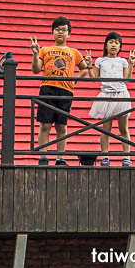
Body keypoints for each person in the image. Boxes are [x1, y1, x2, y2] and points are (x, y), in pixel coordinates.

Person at [30, 15, 90, 166]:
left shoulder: (74, 52)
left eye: (64, 30)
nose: (61, 33)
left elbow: (84, 69)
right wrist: (36, 54)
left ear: (69, 34)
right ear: (52, 33)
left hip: (65, 90)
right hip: (47, 89)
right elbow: (36, 70)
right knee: (45, 124)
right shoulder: (45, 50)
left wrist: (75, 79)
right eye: (57, 29)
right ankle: (43, 157)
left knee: (61, 126)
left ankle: (60, 158)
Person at [89, 31, 135, 166]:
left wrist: (131, 64)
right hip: (106, 95)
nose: (113, 45)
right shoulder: (100, 60)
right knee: (106, 128)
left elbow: (127, 79)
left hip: (121, 93)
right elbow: (94, 78)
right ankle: (105, 156)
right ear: (106, 45)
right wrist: (88, 65)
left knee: (123, 128)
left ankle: (126, 157)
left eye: (116, 43)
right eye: (111, 42)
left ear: (120, 47)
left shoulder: (122, 61)